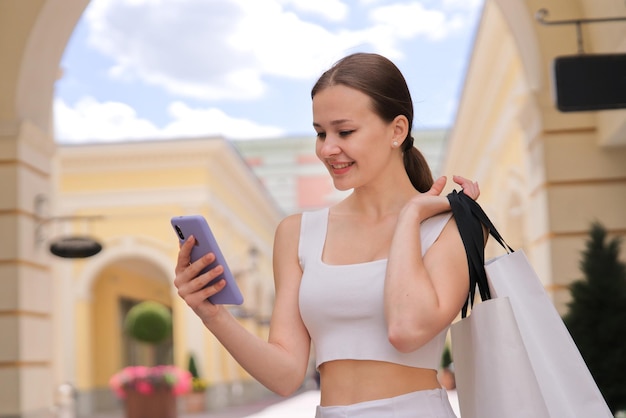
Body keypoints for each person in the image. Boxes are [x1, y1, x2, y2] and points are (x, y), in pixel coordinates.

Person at [174, 52, 480, 418]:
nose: (327, 149)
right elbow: (286, 374)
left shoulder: (451, 225)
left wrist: (411, 216)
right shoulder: (297, 233)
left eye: (344, 131)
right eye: (320, 133)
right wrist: (213, 315)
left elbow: (407, 329)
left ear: (397, 130)